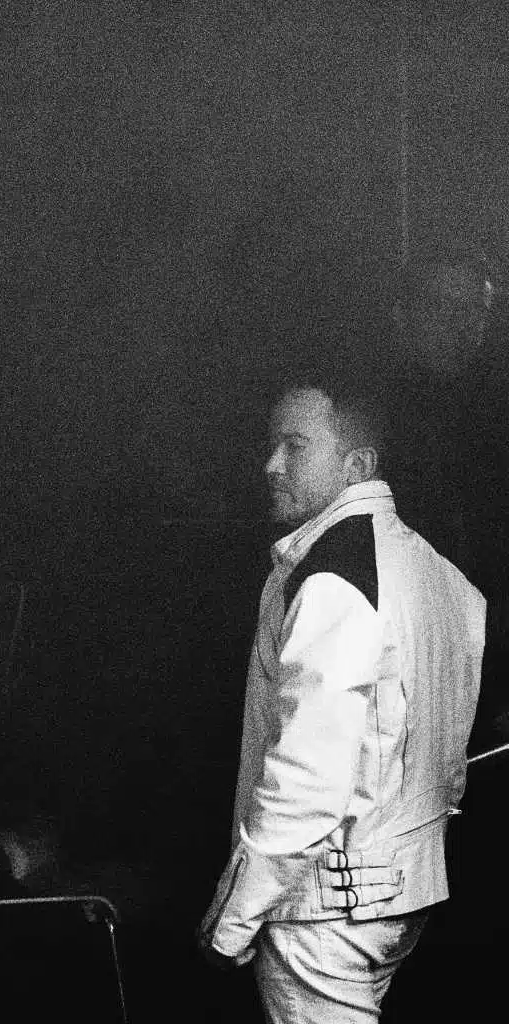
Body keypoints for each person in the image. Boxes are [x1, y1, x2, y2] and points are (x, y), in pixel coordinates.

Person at [197, 376, 486, 1022]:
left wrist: (232, 922)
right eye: (272, 445)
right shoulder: (447, 579)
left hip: (327, 907)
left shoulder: (334, 577)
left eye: (295, 447)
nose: (270, 465)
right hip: (404, 892)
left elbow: (307, 780)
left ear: (357, 465)